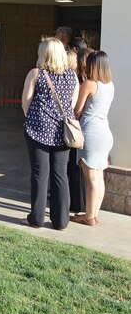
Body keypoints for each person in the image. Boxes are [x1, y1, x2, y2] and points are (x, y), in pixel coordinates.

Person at [21, 37, 79, 230]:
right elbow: (72, 105)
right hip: (63, 132)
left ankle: (36, 218)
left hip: (38, 129)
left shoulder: (35, 73)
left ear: (43, 53)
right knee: (60, 174)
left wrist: (34, 119)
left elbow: (26, 102)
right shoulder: (72, 76)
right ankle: (61, 220)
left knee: (40, 174)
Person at [72, 51, 114, 226]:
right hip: (105, 132)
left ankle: (88, 216)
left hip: (91, 133)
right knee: (99, 176)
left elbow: (77, 110)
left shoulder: (89, 84)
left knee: (91, 180)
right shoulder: (110, 85)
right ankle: (94, 214)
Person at [68, 47, 95, 214]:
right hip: (88, 128)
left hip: (78, 128)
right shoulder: (97, 82)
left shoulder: (81, 82)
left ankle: (77, 203)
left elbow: (77, 110)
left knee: (75, 166)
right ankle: (82, 204)